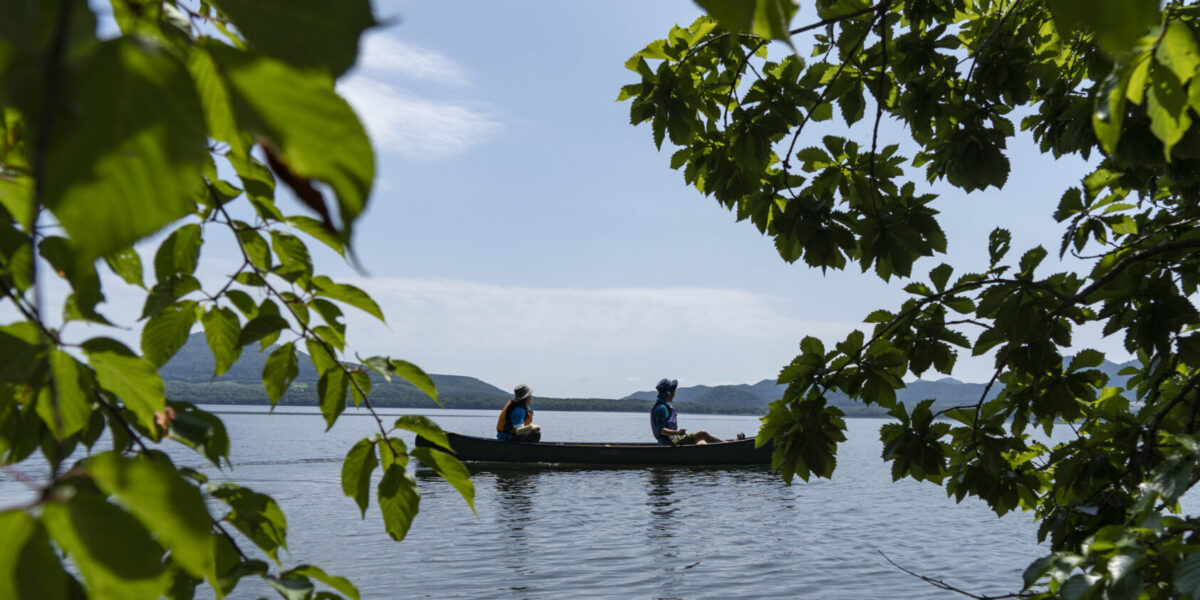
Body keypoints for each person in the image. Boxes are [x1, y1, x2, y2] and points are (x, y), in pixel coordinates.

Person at [649, 378, 725, 445]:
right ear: (669, 394)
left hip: (672, 441)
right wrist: (678, 432)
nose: (674, 394)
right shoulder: (661, 408)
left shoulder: (662, 406)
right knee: (703, 434)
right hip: (669, 444)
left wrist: (678, 433)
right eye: (673, 392)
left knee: (702, 442)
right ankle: (728, 446)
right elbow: (661, 430)